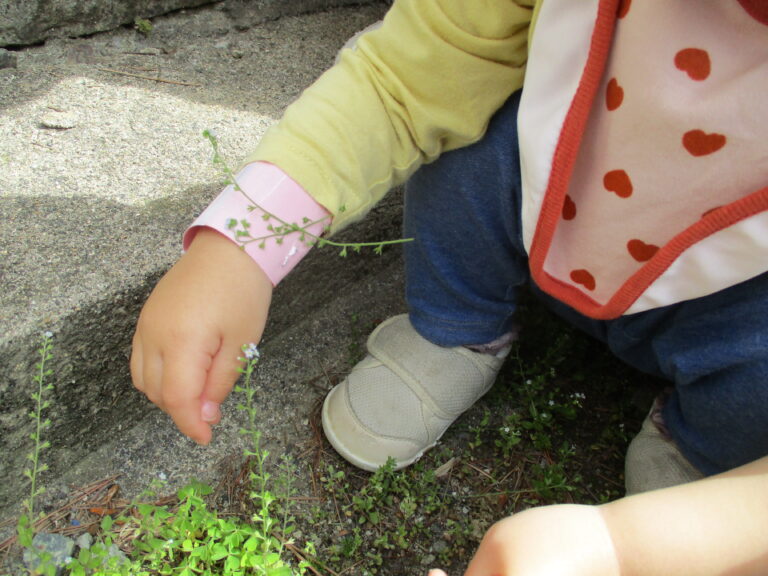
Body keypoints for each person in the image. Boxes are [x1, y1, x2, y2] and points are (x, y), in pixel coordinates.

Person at [131, 0, 768, 573]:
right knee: (472, 118)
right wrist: (245, 240)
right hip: (554, 199)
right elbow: (403, 81)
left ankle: (705, 450)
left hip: (731, 308)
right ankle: (456, 328)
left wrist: (633, 548)